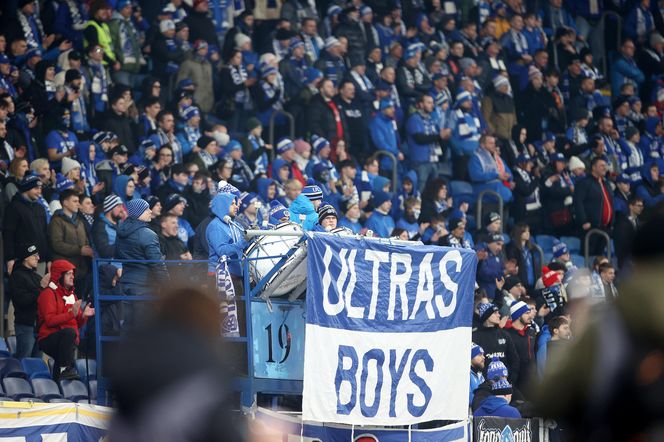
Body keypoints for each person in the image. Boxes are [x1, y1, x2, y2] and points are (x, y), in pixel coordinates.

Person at [37, 259, 95, 381]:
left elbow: (76, 323)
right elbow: (49, 320)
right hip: (49, 338)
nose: (72, 277)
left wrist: (83, 316)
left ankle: (59, 380)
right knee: (69, 332)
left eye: (73, 274)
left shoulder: (72, 295)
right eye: (68, 274)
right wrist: (71, 314)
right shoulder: (48, 294)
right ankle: (64, 369)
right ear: (59, 275)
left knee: (61, 380)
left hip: (67, 342)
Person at [116, 199, 169, 298]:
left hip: (125, 284)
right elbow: (157, 264)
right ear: (138, 213)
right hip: (144, 288)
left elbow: (117, 254)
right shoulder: (148, 235)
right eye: (146, 209)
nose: (150, 211)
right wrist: (169, 287)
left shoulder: (120, 231)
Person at [48, 189, 93, 295]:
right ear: (65, 202)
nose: (78, 204)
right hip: (65, 271)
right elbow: (57, 244)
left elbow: (85, 239)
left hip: (81, 270)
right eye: (75, 201)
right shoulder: (56, 221)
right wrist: (80, 250)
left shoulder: (79, 221)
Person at [8, 244, 49, 359]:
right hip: (25, 325)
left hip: (39, 327)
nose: (38, 258)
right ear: (26, 257)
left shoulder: (36, 277)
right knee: (24, 360)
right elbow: (22, 301)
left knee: (36, 363)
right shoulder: (16, 277)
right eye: (35, 255)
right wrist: (41, 288)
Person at [573, 157, 614, 254]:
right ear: (594, 168)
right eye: (602, 166)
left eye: (605, 166)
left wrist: (612, 222)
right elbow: (578, 202)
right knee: (589, 256)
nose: (605, 168)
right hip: (591, 227)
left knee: (600, 258)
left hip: (605, 228)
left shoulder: (606, 183)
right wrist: (584, 221)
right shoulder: (584, 183)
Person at [472, 302, 520, 383]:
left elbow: (514, 359)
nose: (499, 315)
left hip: (505, 383)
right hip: (484, 385)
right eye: (495, 313)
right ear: (486, 316)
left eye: (498, 312)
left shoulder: (504, 335)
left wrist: (510, 380)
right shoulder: (475, 337)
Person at [206, 191, 247, 280]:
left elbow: (243, 246)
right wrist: (245, 241)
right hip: (220, 276)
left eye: (236, 204)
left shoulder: (235, 225)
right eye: (232, 204)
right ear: (222, 205)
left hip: (235, 274)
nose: (236, 207)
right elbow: (221, 251)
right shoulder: (215, 226)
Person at [504, 300, 537, 397]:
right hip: (514, 379)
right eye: (527, 313)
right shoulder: (507, 333)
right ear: (518, 315)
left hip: (530, 379)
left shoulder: (531, 332)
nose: (530, 316)